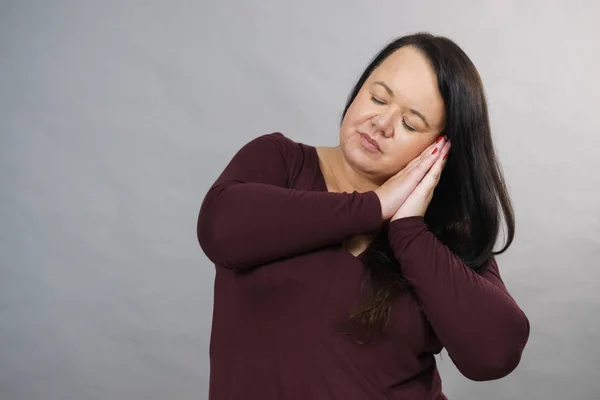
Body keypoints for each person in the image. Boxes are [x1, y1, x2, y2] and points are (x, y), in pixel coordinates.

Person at [197, 32, 530, 400]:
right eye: (377, 97)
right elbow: (219, 229)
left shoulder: (444, 232)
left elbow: (495, 354)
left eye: (411, 123)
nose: (381, 123)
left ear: (440, 149)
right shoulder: (280, 162)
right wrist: (373, 206)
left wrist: (407, 230)